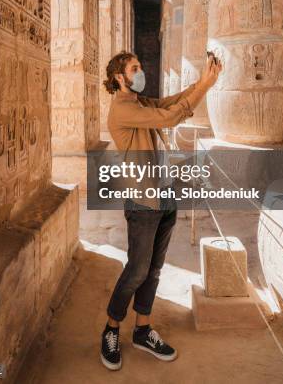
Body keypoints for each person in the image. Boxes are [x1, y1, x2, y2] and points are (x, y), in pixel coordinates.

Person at [100, 51, 222, 370]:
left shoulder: (140, 103)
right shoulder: (122, 110)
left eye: (140, 66)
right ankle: (111, 328)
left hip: (163, 196)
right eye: (134, 68)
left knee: (154, 269)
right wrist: (205, 87)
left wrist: (201, 82)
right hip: (143, 202)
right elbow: (169, 118)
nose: (141, 72)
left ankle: (142, 329)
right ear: (118, 78)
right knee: (137, 270)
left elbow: (171, 102)